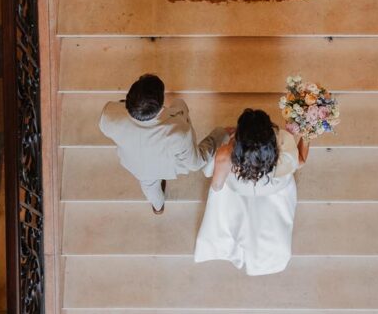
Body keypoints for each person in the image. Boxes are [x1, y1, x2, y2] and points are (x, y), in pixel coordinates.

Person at [194, 107, 309, 275]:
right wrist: (307, 135)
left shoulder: (226, 155)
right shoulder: (283, 145)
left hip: (239, 189)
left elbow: (217, 186)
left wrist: (228, 150)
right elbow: (300, 161)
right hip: (273, 188)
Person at [99, 73, 222, 215]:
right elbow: (194, 164)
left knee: (149, 187)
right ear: (160, 104)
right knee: (179, 103)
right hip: (167, 165)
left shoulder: (108, 115)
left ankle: (158, 207)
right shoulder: (178, 131)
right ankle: (221, 133)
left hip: (138, 166)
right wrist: (218, 135)